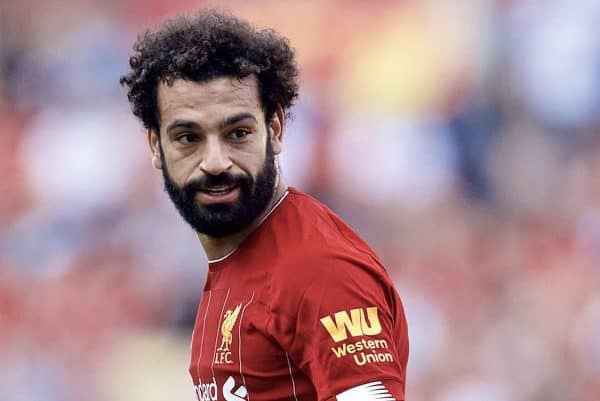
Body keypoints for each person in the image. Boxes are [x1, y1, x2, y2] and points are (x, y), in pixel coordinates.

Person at [120, 10, 409, 401]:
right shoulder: (234, 262)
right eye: (188, 138)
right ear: (156, 146)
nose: (215, 162)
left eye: (237, 133)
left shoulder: (319, 269)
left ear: (275, 129)